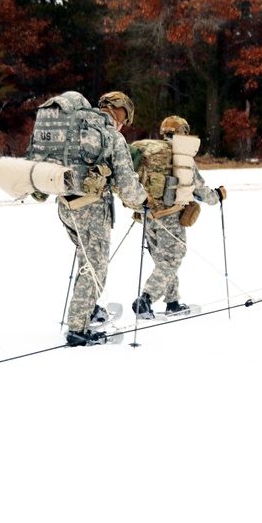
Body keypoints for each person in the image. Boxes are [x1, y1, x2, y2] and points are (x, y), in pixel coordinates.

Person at [59, 91, 147, 346]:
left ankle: (88, 308)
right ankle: (78, 329)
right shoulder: (111, 135)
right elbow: (128, 184)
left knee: (86, 260)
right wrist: (142, 202)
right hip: (92, 210)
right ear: (120, 112)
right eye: (125, 118)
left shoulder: (77, 127)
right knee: (95, 268)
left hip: (66, 206)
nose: (123, 124)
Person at [130, 115, 226, 320]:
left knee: (162, 261)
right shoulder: (181, 156)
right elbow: (199, 188)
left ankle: (172, 302)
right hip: (170, 216)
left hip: (148, 215)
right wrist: (217, 196)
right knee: (172, 260)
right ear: (182, 132)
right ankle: (146, 299)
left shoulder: (151, 153)